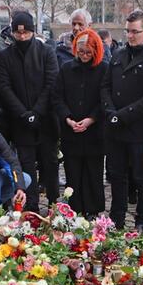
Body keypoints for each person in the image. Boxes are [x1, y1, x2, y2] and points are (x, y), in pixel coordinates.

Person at [101, 10, 143, 231]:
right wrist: (110, 111)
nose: (130, 35)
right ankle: (117, 218)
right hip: (115, 127)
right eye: (128, 31)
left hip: (139, 127)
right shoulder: (119, 54)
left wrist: (121, 116)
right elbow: (105, 86)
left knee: (141, 176)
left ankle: (141, 220)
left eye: (134, 31)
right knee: (117, 176)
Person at [0, 11, 59, 211]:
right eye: (17, 33)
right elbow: (4, 87)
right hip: (20, 121)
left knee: (50, 164)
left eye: (25, 33)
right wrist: (23, 113)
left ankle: (54, 204)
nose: (21, 37)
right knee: (26, 164)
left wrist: (37, 111)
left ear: (32, 31)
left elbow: (51, 82)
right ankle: (31, 206)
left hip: (45, 120)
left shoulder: (46, 51)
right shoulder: (5, 56)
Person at [53, 28, 107, 218]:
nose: (84, 56)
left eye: (88, 52)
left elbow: (104, 100)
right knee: (73, 171)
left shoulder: (103, 69)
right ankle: (74, 207)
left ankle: (92, 208)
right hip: (71, 129)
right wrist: (67, 118)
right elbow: (57, 97)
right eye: (81, 52)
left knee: (93, 170)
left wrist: (91, 119)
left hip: (94, 130)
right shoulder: (67, 68)